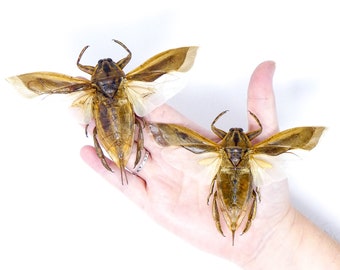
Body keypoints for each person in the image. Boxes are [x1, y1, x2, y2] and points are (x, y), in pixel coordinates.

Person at [80, 61, 340, 269]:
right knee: (232, 192)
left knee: (220, 191)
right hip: (240, 175)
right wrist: (276, 237)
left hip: (225, 175)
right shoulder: (250, 153)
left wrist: (274, 235)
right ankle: (241, 225)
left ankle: (239, 225)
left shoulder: (220, 152)